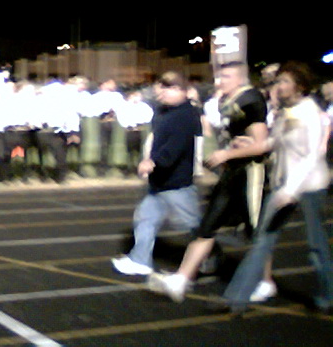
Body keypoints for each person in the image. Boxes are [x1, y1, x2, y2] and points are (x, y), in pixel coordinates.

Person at [148, 61, 268, 302]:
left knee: (257, 232)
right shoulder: (224, 100)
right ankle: (181, 279)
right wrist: (229, 150)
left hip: (251, 173)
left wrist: (228, 154)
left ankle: (266, 282)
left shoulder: (251, 99)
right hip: (231, 173)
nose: (220, 81)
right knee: (207, 226)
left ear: (241, 78)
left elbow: (262, 144)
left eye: (227, 76)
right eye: (219, 76)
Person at [221, 61, 332, 313]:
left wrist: (290, 190)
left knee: (316, 244)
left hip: (309, 186)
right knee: (262, 240)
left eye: (284, 81)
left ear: (300, 86)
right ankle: (237, 298)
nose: (278, 86)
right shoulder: (286, 111)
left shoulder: (309, 112)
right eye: (277, 81)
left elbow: (311, 156)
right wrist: (246, 144)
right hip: (284, 186)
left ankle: (328, 293)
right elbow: (275, 141)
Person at [112, 71, 202, 275]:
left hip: (177, 183)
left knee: (193, 226)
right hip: (160, 181)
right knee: (146, 218)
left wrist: (154, 162)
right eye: (159, 90)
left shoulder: (186, 115)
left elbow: (176, 146)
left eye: (165, 89)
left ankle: (211, 256)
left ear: (180, 90)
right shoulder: (164, 112)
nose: (160, 94)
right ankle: (140, 260)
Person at [90, 79, 125, 177]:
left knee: (113, 145)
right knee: (103, 145)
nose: (113, 86)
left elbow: (121, 107)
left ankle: (112, 165)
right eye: (111, 83)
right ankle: (102, 166)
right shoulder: (97, 97)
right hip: (102, 123)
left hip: (114, 123)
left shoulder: (117, 96)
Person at [117, 89, 154, 177]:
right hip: (129, 131)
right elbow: (122, 118)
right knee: (129, 150)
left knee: (139, 150)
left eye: (139, 96)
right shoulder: (124, 106)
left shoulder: (144, 106)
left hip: (140, 130)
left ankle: (137, 168)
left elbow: (149, 116)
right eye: (136, 96)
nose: (138, 98)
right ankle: (128, 168)